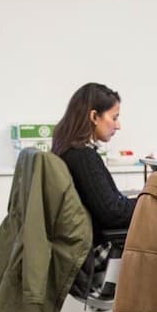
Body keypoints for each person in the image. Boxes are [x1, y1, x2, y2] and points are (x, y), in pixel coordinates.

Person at [51, 82, 134, 243]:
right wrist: (149, 202)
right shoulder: (83, 157)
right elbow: (113, 213)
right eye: (114, 118)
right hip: (98, 249)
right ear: (94, 116)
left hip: (82, 245)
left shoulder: (67, 150)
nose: (118, 126)